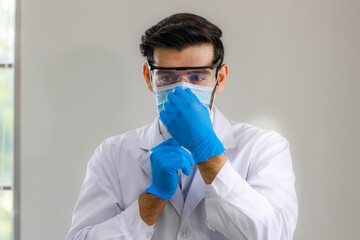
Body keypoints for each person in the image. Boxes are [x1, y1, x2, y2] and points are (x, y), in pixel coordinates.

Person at [66, 13, 298, 240]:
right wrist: (153, 198)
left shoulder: (262, 147)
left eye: (197, 77)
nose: (182, 90)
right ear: (149, 78)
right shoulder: (113, 154)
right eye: (167, 77)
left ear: (221, 77)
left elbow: (275, 235)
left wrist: (209, 155)